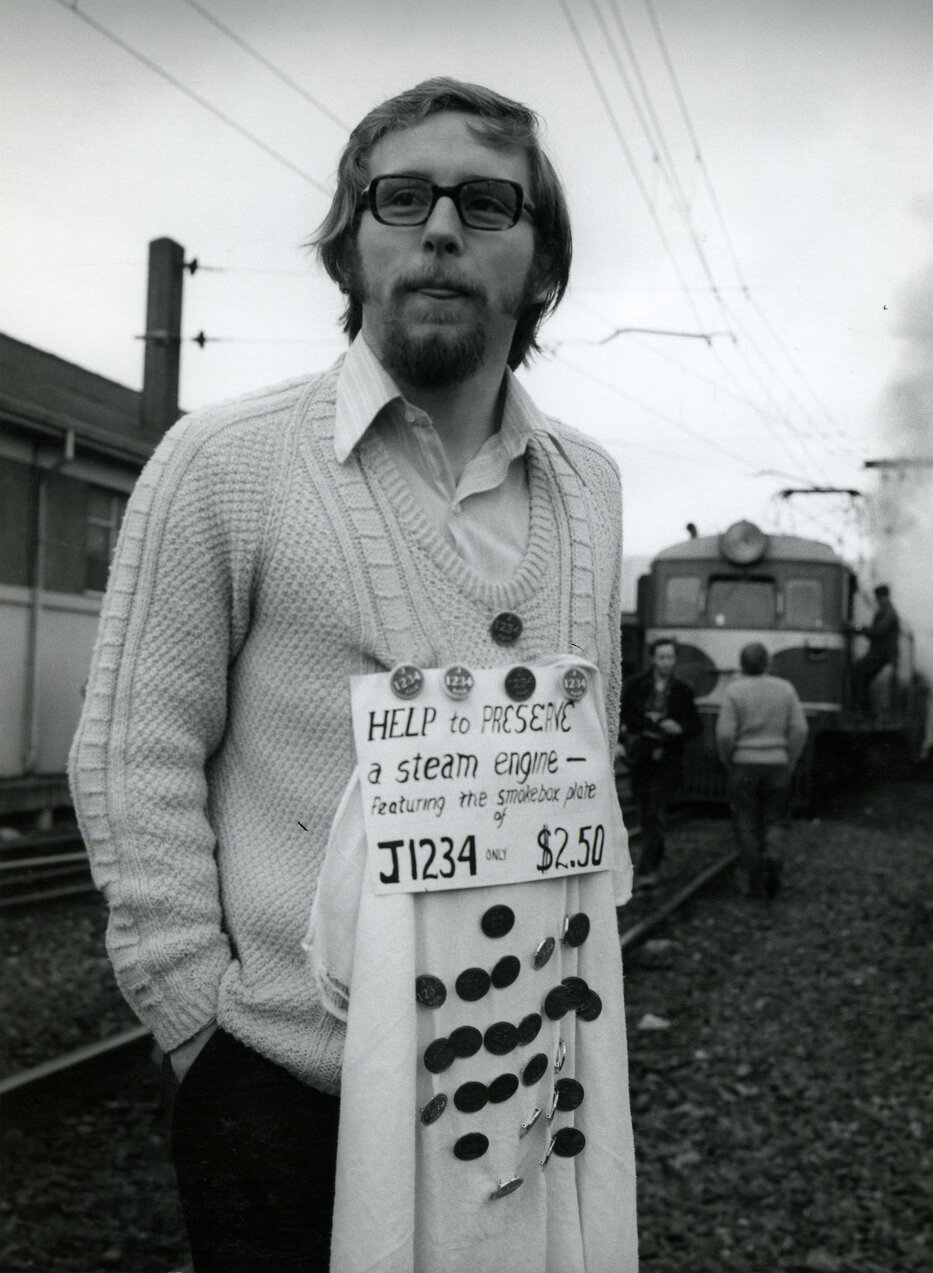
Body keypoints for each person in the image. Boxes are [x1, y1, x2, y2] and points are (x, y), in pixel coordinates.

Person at [69, 78, 637, 1273]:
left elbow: (591, 756)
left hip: (528, 1090)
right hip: (284, 1090)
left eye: (488, 202)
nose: (440, 226)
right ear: (351, 248)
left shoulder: (591, 487)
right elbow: (135, 752)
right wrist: (196, 1028)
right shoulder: (222, 462)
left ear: (541, 264)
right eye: (401, 197)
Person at [715, 642, 808, 899]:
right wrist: (789, 759)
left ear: (742, 665)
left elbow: (724, 734)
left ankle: (755, 884)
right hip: (777, 765)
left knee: (746, 823)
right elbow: (800, 729)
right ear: (768, 663)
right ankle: (773, 856)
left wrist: (728, 759)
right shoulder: (785, 689)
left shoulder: (735, 691)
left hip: (743, 765)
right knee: (776, 819)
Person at [620, 637, 703, 878]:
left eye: (670, 657)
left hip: (667, 758)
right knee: (647, 812)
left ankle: (648, 870)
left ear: (675, 660)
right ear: (653, 659)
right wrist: (621, 743)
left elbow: (695, 725)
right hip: (640, 757)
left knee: (655, 812)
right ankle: (651, 862)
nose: (666, 662)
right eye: (662, 657)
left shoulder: (683, 690)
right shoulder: (635, 686)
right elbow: (621, 715)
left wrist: (679, 727)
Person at [851, 583, 901, 718]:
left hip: (883, 654)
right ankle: (867, 713)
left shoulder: (889, 613)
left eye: (878, 598)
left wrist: (859, 628)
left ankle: (863, 712)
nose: (878, 601)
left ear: (884, 597)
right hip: (882, 653)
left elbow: (878, 631)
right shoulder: (887, 611)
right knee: (863, 676)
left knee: (857, 672)